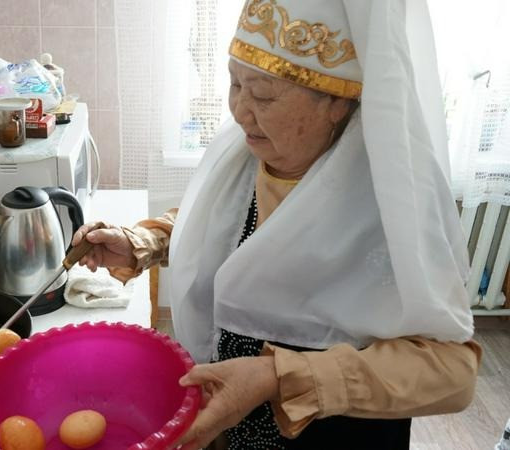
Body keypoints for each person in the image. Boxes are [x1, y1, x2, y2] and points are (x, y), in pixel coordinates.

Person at [72, 0, 482, 448]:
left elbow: (453, 371)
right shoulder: (246, 152)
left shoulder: (395, 196)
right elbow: (222, 225)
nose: (240, 111)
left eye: (264, 95)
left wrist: (278, 376)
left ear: (338, 103)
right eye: (234, 84)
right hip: (236, 427)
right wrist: (145, 241)